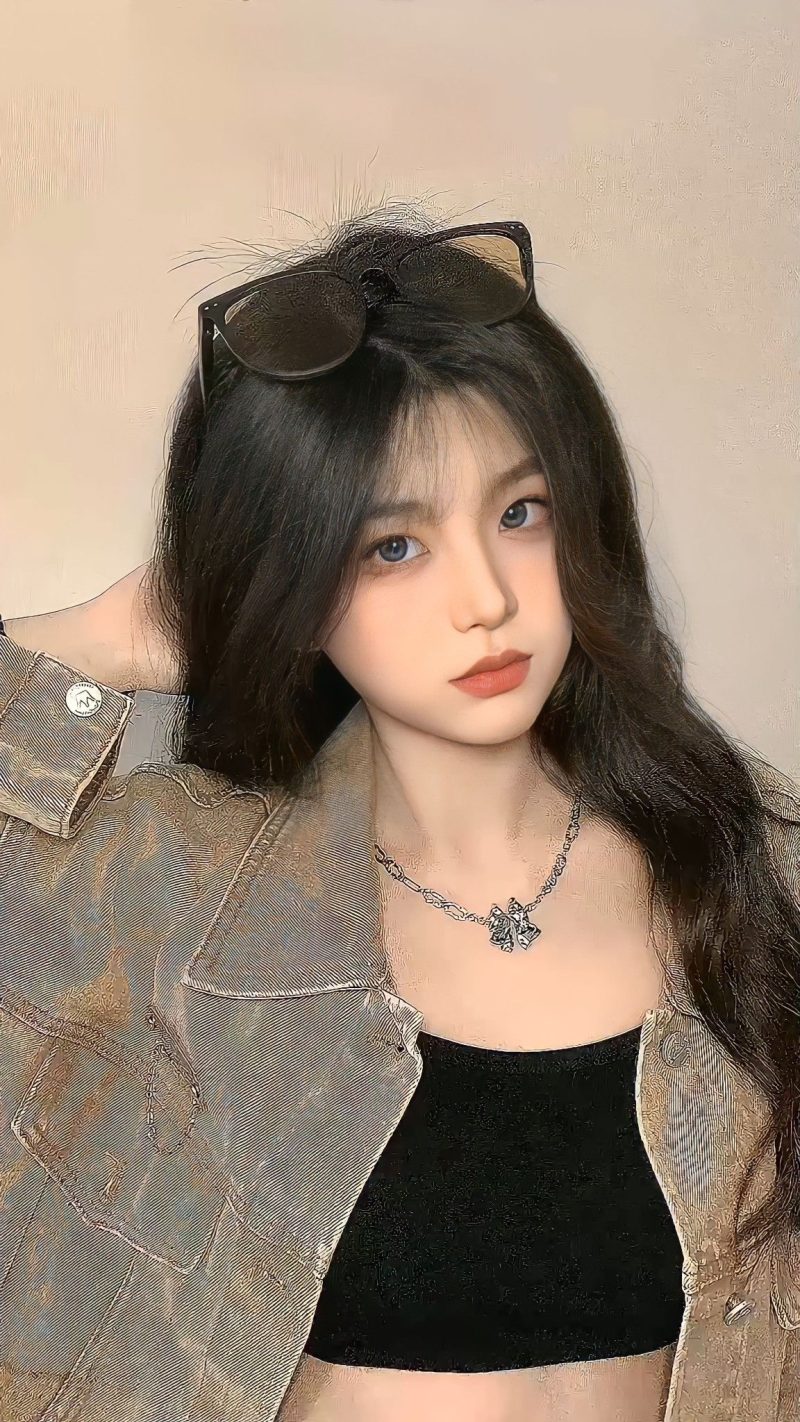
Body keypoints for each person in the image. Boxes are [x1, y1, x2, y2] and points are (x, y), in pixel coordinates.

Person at [0, 209, 798, 1422]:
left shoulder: (752, 875)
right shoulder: (165, 891)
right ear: (289, 569)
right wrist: (101, 638)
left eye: (518, 513)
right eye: (391, 547)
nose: (483, 599)